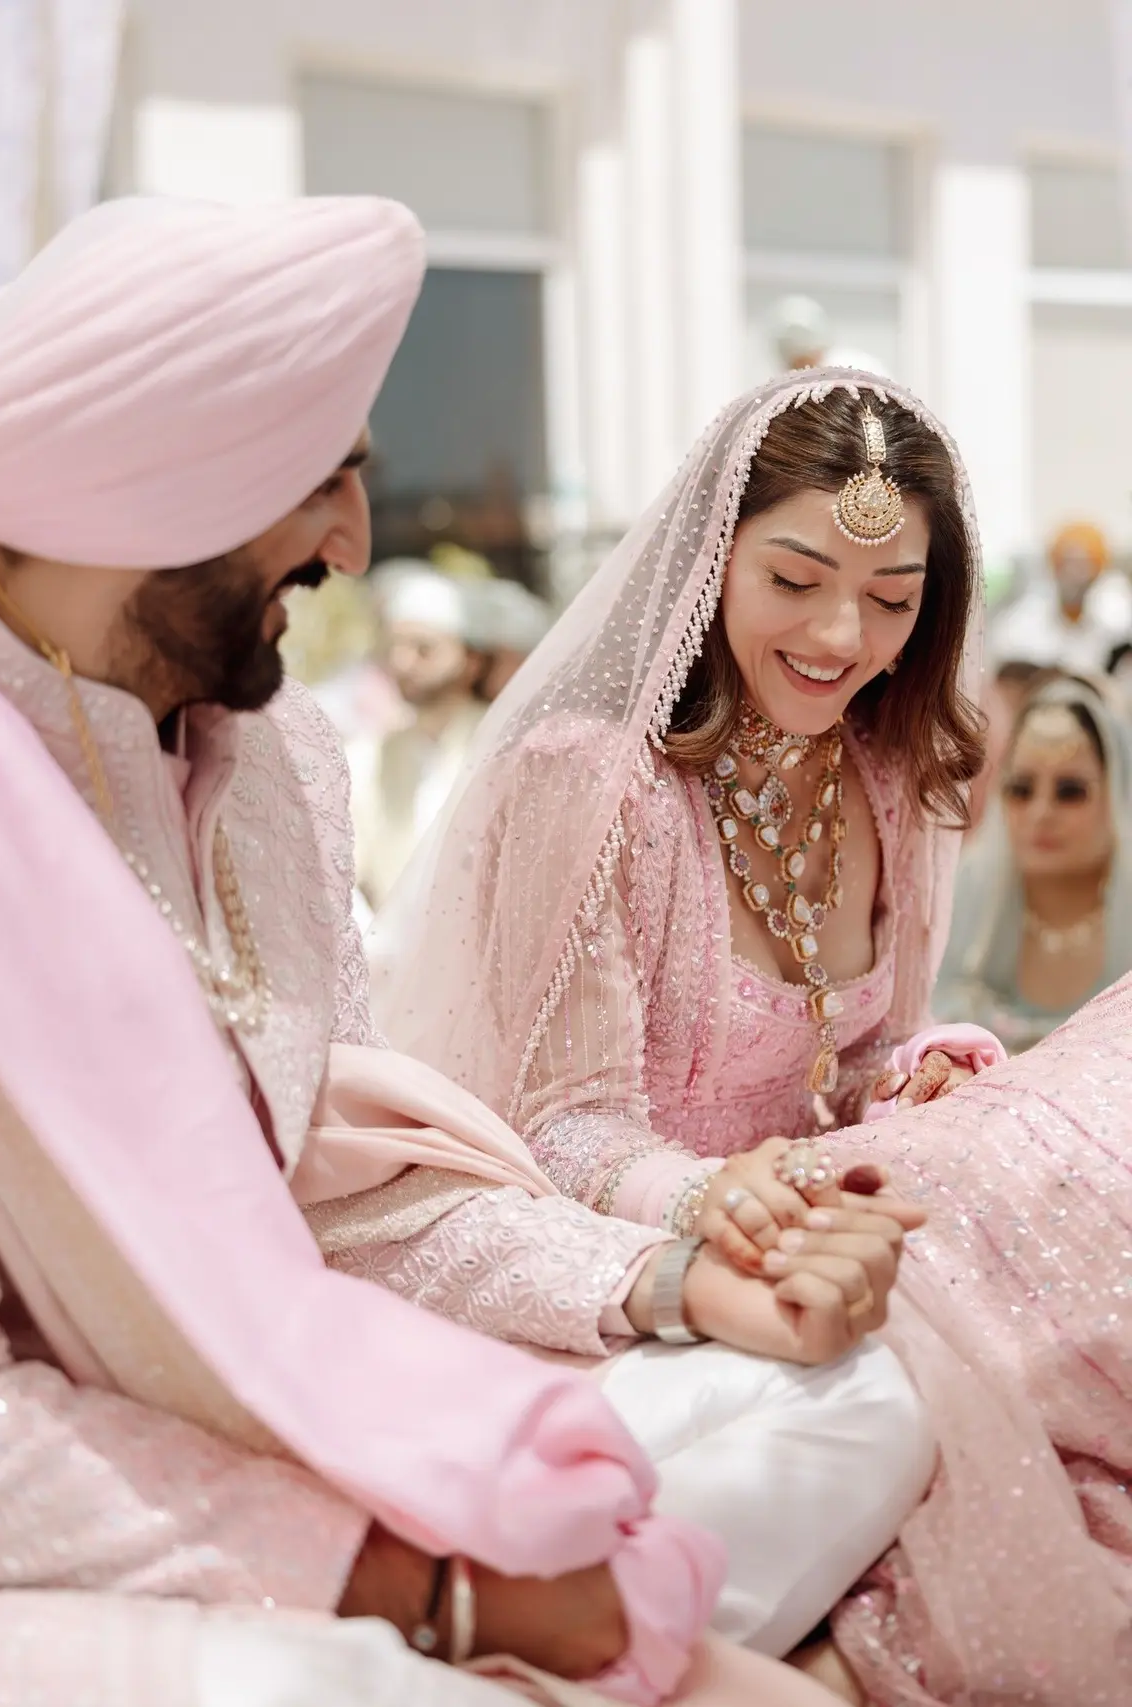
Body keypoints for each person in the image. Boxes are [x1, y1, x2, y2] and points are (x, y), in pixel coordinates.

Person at [0, 197, 916, 1707]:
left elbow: (347, 1209)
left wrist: (677, 1283)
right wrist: (424, 1584)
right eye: (321, 479)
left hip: (297, 1418)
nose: (356, 538)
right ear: (160, 488)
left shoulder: (276, 758)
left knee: (855, 1401)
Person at [371, 368, 1132, 1701]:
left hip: (830, 1248)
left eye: (891, 598)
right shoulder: (594, 783)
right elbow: (564, 1125)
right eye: (795, 578)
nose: (841, 633)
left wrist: (920, 1072)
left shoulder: (889, 777)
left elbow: (855, 1069)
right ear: (712, 553)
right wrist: (733, 1199)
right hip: (646, 1280)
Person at [935, 674, 1132, 1051]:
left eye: (1070, 791)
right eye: (1021, 789)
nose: (1041, 812)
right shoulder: (970, 897)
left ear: (1116, 794)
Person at [349, 563, 491, 907]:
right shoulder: (366, 756)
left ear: (469, 659)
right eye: (393, 648)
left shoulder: (502, 741)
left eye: (423, 649)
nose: (402, 662)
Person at [990, 520, 1132, 677]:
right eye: (1068, 562)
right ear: (1054, 565)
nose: (1075, 573)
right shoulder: (1022, 625)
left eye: (1085, 563)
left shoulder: (1116, 622)